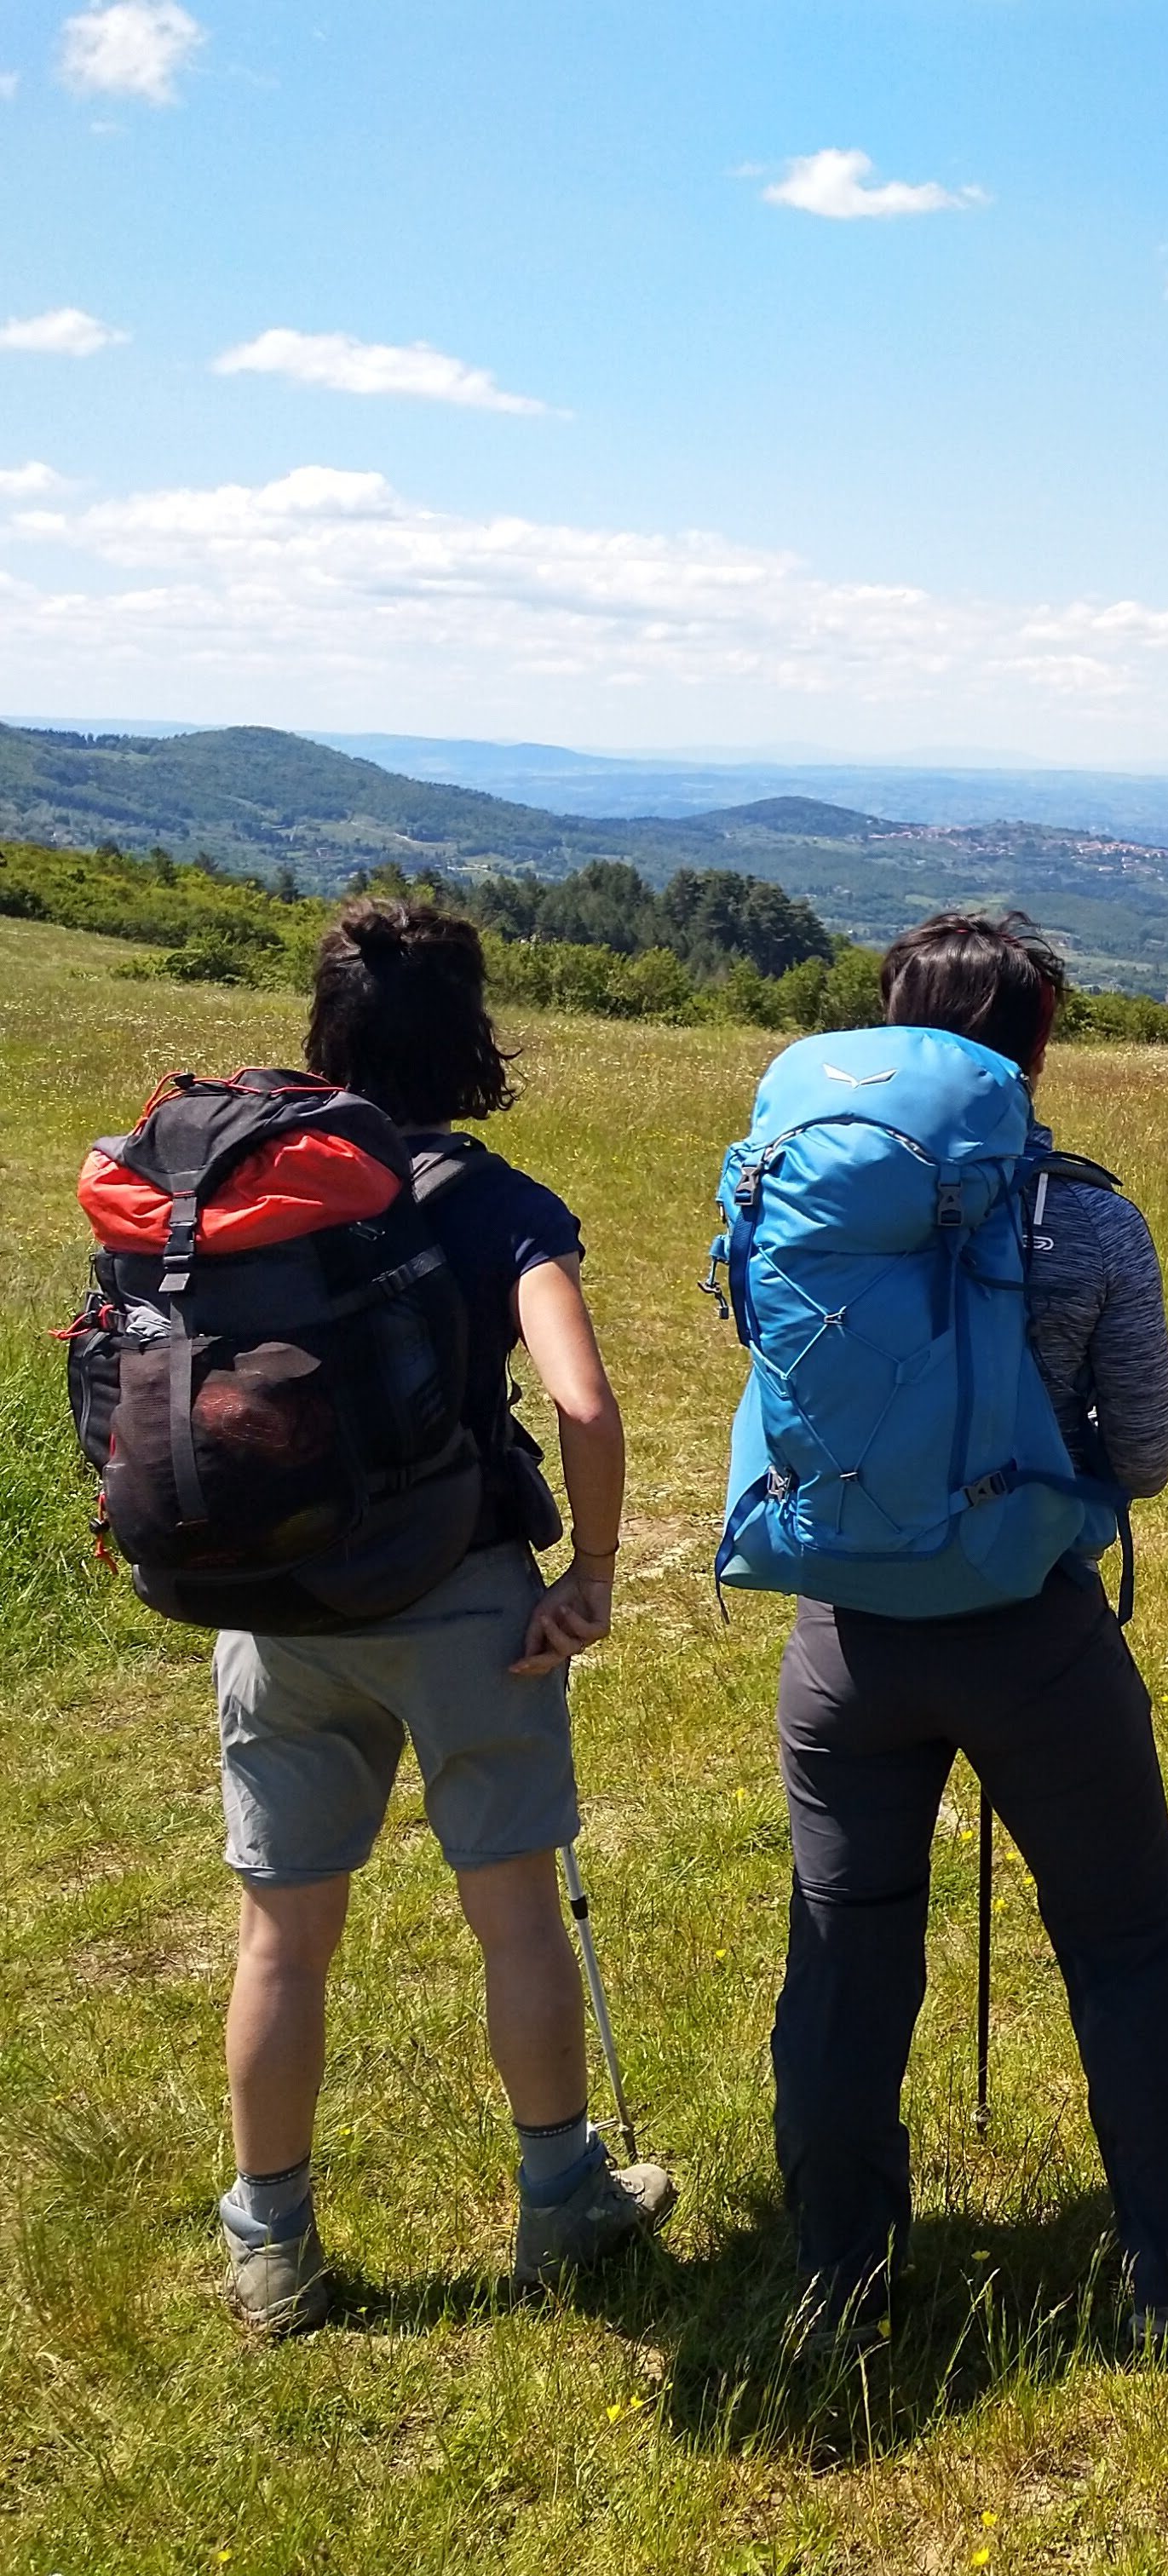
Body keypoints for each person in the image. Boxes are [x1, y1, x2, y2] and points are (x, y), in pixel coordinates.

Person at [765, 910, 1168, 2353]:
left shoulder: (809, 1202)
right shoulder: (1090, 1219)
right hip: (1033, 1632)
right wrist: (1065, 1476)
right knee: (1119, 1945)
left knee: (845, 1953)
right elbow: (1152, 1449)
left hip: (847, 1637)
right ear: (1038, 1046)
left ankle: (842, 2284)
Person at [213, 900, 671, 2334]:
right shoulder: (495, 1202)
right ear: (467, 1031)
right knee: (513, 1913)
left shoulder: (251, 1183)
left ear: (327, 1026)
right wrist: (588, 1574)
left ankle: (272, 2245)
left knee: (282, 1938)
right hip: (465, 1595)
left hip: (277, 1600)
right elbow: (582, 1402)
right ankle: (562, 2199)